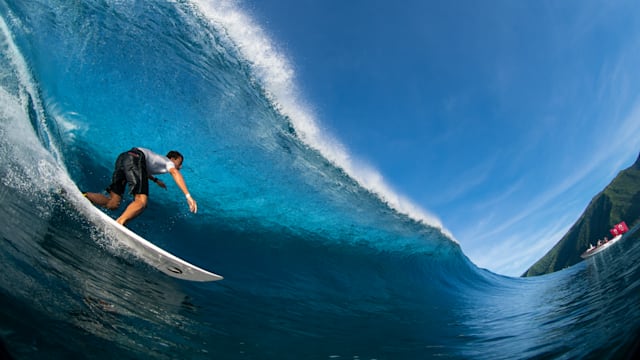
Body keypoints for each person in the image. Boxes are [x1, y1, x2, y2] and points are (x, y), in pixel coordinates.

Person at [84, 147, 197, 225]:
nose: (180, 166)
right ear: (173, 159)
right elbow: (175, 172)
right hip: (136, 157)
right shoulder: (169, 162)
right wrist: (188, 196)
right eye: (180, 163)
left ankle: (84, 195)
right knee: (141, 201)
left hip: (124, 157)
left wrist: (155, 180)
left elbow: (140, 170)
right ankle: (120, 222)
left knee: (113, 203)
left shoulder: (157, 159)